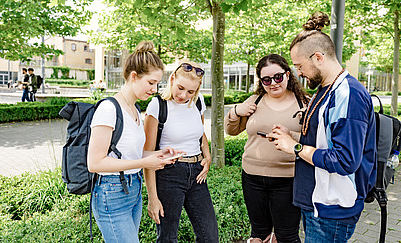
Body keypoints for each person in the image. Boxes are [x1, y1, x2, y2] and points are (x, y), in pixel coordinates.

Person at [270, 12, 377, 242]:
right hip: (318, 203)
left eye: (299, 65)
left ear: (318, 57)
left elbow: (345, 160)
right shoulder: (325, 89)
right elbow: (325, 138)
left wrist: (295, 148)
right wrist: (293, 136)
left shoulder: (348, 95)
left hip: (333, 209)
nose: (298, 73)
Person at [87, 41, 180, 243]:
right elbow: (95, 163)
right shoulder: (108, 109)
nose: (155, 89)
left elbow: (131, 155)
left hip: (133, 190)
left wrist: (158, 155)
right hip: (111, 193)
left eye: (157, 84)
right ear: (133, 76)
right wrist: (144, 163)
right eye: (151, 83)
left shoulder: (135, 110)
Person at [224, 54, 309, 243]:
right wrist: (236, 111)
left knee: (287, 236)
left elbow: (314, 142)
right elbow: (231, 130)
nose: (273, 83)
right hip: (252, 179)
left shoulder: (304, 103)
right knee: (258, 234)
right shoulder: (254, 101)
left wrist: (291, 137)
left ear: (288, 75)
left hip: (288, 180)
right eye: (266, 80)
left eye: (278, 77)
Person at [144, 61, 219, 242]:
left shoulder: (198, 102)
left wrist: (207, 156)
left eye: (190, 91)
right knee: (168, 238)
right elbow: (147, 155)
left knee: (210, 236)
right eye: (180, 88)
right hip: (169, 175)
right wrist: (152, 198)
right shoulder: (157, 105)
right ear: (172, 79)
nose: (184, 95)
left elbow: (199, 134)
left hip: (196, 175)